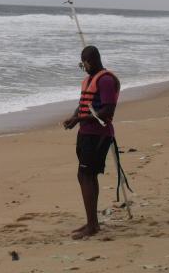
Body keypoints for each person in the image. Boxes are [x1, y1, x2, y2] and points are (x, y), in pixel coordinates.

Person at [63, 45, 120, 240]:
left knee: (85, 174)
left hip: (99, 135)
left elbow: (108, 110)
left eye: (83, 63)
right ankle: (92, 223)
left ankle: (92, 225)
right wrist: (73, 119)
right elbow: (83, 105)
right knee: (87, 175)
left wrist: (80, 119)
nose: (83, 67)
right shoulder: (88, 80)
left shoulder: (105, 81)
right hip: (85, 133)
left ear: (91, 61)